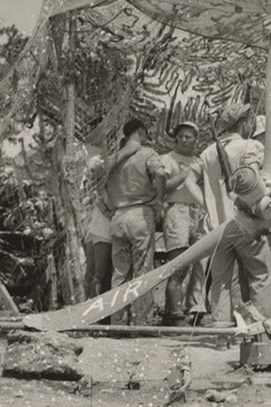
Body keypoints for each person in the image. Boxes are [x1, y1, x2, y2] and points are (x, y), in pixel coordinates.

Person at [185, 103, 271, 327]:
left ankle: (221, 330)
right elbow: (254, 183)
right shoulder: (251, 146)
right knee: (261, 276)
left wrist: (208, 204)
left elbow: (190, 182)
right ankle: (262, 330)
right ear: (244, 122)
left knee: (221, 281)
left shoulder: (208, 152)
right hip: (247, 224)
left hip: (217, 226)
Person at [103, 118, 169, 326]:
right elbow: (160, 173)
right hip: (140, 215)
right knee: (142, 270)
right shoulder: (147, 153)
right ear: (141, 131)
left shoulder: (113, 159)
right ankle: (141, 321)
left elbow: (100, 187)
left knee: (120, 272)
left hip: (117, 217)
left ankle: (118, 321)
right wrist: (159, 198)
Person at [159, 121, 206, 326]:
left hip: (197, 212)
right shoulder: (166, 159)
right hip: (176, 210)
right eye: (182, 136)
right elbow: (162, 188)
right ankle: (173, 313)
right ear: (176, 138)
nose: (186, 140)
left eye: (190, 136)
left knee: (200, 263)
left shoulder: (200, 160)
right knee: (178, 264)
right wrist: (185, 174)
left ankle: (195, 308)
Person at [82, 153, 113, 301]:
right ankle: (87, 299)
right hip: (93, 230)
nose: (91, 174)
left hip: (103, 231)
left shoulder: (105, 187)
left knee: (99, 273)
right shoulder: (89, 188)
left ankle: (93, 301)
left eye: (95, 171)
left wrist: (103, 207)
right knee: (91, 270)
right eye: (91, 171)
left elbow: (108, 208)